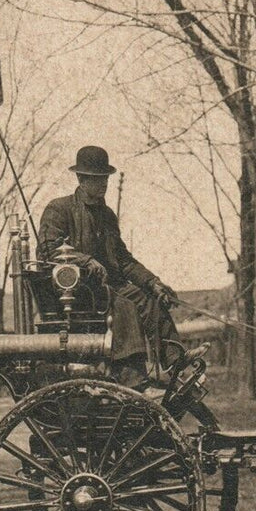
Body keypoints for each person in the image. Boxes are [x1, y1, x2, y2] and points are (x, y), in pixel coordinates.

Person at [38, 145, 189, 388]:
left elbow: (124, 261)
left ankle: (178, 364)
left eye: (105, 178)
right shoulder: (59, 209)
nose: (103, 184)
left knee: (150, 299)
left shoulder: (107, 216)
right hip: (78, 294)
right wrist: (85, 261)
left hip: (108, 288)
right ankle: (133, 377)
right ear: (80, 178)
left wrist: (154, 282)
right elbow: (48, 251)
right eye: (97, 179)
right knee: (126, 304)